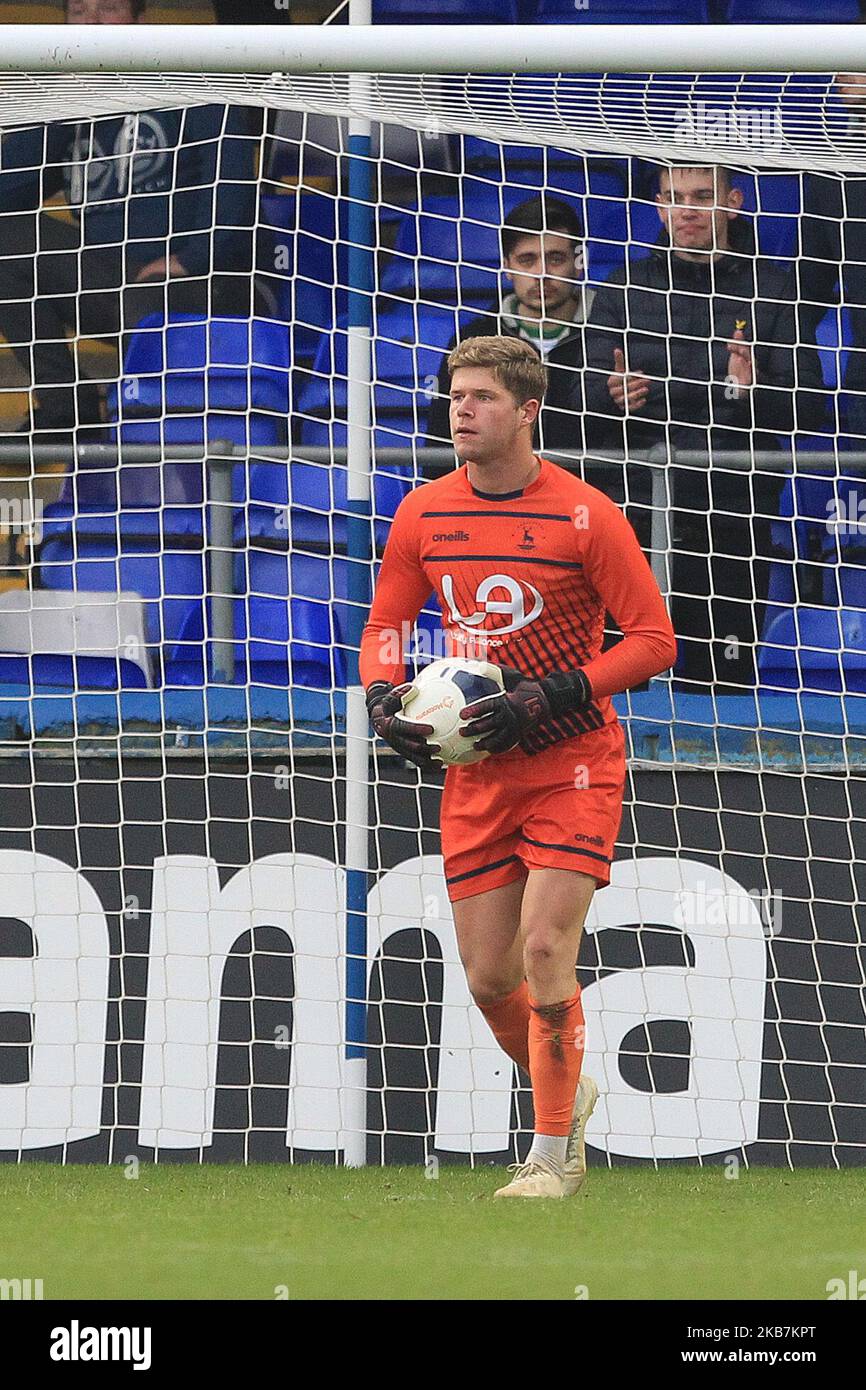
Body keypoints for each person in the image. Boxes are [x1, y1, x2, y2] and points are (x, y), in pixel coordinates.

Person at [360, 336, 677, 1199]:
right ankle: (565, 1096)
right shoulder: (422, 512)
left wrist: (550, 695)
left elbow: (654, 641)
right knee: (489, 975)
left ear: (528, 411)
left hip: (572, 757)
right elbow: (386, 625)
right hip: (479, 770)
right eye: (455, 396)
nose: (462, 410)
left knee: (545, 948)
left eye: (482, 398)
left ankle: (551, 1155)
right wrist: (382, 696)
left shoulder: (586, 514)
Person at [584, 163, 826, 690]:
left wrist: (746, 392)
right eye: (673, 197)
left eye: (701, 196)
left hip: (733, 511)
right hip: (633, 512)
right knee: (621, 679)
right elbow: (577, 397)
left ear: (733, 202)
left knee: (722, 678)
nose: (687, 210)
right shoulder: (624, 285)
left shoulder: (775, 286)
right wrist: (611, 395)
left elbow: (810, 406)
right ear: (658, 206)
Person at [0, 0, 262, 441]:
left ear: (141, 21)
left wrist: (194, 259)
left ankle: (160, 424)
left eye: (108, 10)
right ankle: (69, 407)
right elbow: (7, 191)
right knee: (6, 241)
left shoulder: (189, 80)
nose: (92, 24)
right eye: (79, 12)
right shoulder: (71, 102)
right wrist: (62, 112)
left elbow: (232, 182)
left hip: (198, 281)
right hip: (112, 281)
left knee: (145, 303)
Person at [425, 196, 589, 458]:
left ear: (578, 262)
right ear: (507, 266)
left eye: (556, 258)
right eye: (527, 260)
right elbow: (441, 444)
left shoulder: (612, 332)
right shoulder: (472, 341)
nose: (542, 273)